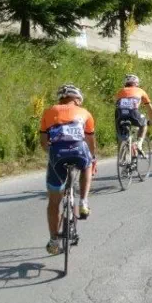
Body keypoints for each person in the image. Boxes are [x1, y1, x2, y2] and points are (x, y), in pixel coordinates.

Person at [39, 84, 97, 255]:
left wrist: (52, 154)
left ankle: (54, 241)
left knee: (54, 202)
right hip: (79, 150)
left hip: (57, 154)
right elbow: (90, 140)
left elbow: (43, 141)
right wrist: (93, 158)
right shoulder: (85, 112)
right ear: (77, 99)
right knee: (87, 165)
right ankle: (84, 202)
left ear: (61, 98)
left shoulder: (49, 111)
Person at [114, 74, 152, 155]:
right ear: (136, 83)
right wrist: (151, 121)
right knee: (144, 123)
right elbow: (150, 109)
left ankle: (122, 154)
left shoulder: (120, 91)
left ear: (125, 83)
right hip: (133, 113)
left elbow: (117, 103)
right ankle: (139, 144)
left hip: (119, 113)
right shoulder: (140, 91)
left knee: (120, 134)